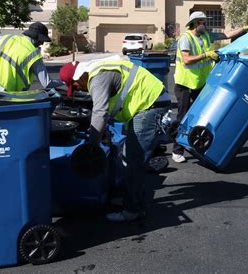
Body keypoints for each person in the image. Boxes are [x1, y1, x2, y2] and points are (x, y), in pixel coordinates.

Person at [59, 58, 170, 222]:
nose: (78, 89)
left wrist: (92, 144)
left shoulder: (96, 79)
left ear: (78, 77)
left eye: (74, 86)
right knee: (128, 156)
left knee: (134, 160)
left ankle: (132, 210)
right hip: (149, 103)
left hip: (150, 106)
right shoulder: (98, 69)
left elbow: (100, 112)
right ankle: (130, 197)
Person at [171, 11, 248, 163]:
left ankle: (195, 143)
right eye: (203, 22)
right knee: (184, 117)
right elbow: (187, 60)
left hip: (201, 83)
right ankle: (177, 150)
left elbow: (226, 35)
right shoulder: (186, 39)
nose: (205, 24)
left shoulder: (206, 35)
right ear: (195, 23)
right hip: (185, 84)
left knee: (203, 115)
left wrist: (245, 29)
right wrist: (206, 55)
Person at [0, 22, 63, 91]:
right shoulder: (34, 54)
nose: (42, 43)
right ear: (36, 38)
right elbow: (47, 83)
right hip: (2, 93)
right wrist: (65, 81)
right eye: (41, 40)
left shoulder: (4, 38)